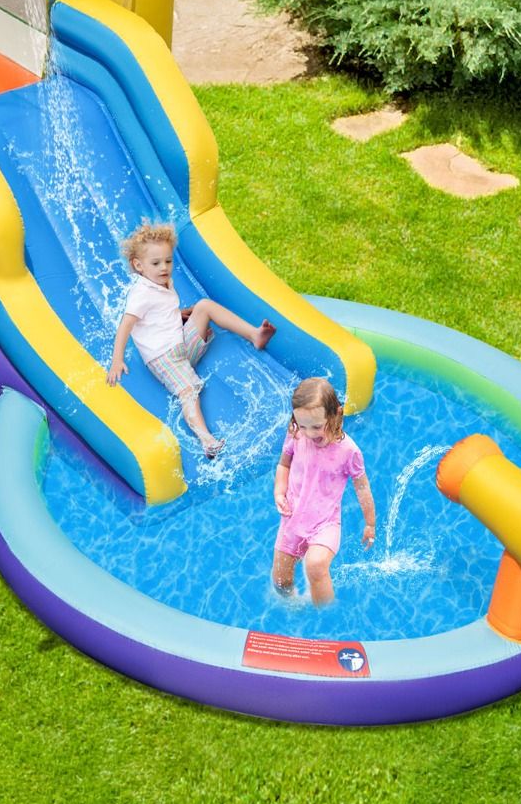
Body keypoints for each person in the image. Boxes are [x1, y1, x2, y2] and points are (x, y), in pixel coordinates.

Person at [106, 222, 276, 459]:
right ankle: (207, 440)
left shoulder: (162, 281)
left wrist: (176, 314)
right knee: (188, 391)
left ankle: (254, 335)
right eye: (156, 263)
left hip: (180, 343)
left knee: (204, 306)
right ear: (138, 266)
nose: (164, 267)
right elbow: (126, 325)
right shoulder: (141, 294)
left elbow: (157, 311)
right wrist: (117, 360)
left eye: (168, 261)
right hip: (164, 358)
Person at [271, 377, 375, 606]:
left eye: (316, 426)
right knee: (280, 582)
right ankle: (294, 607)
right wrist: (279, 492)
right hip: (292, 519)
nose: (309, 433)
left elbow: (362, 487)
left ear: (335, 414)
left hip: (324, 523)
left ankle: (326, 615)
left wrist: (370, 523)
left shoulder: (349, 451)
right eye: (303, 425)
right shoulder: (295, 433)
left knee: (316, 565)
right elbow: (284, 464)